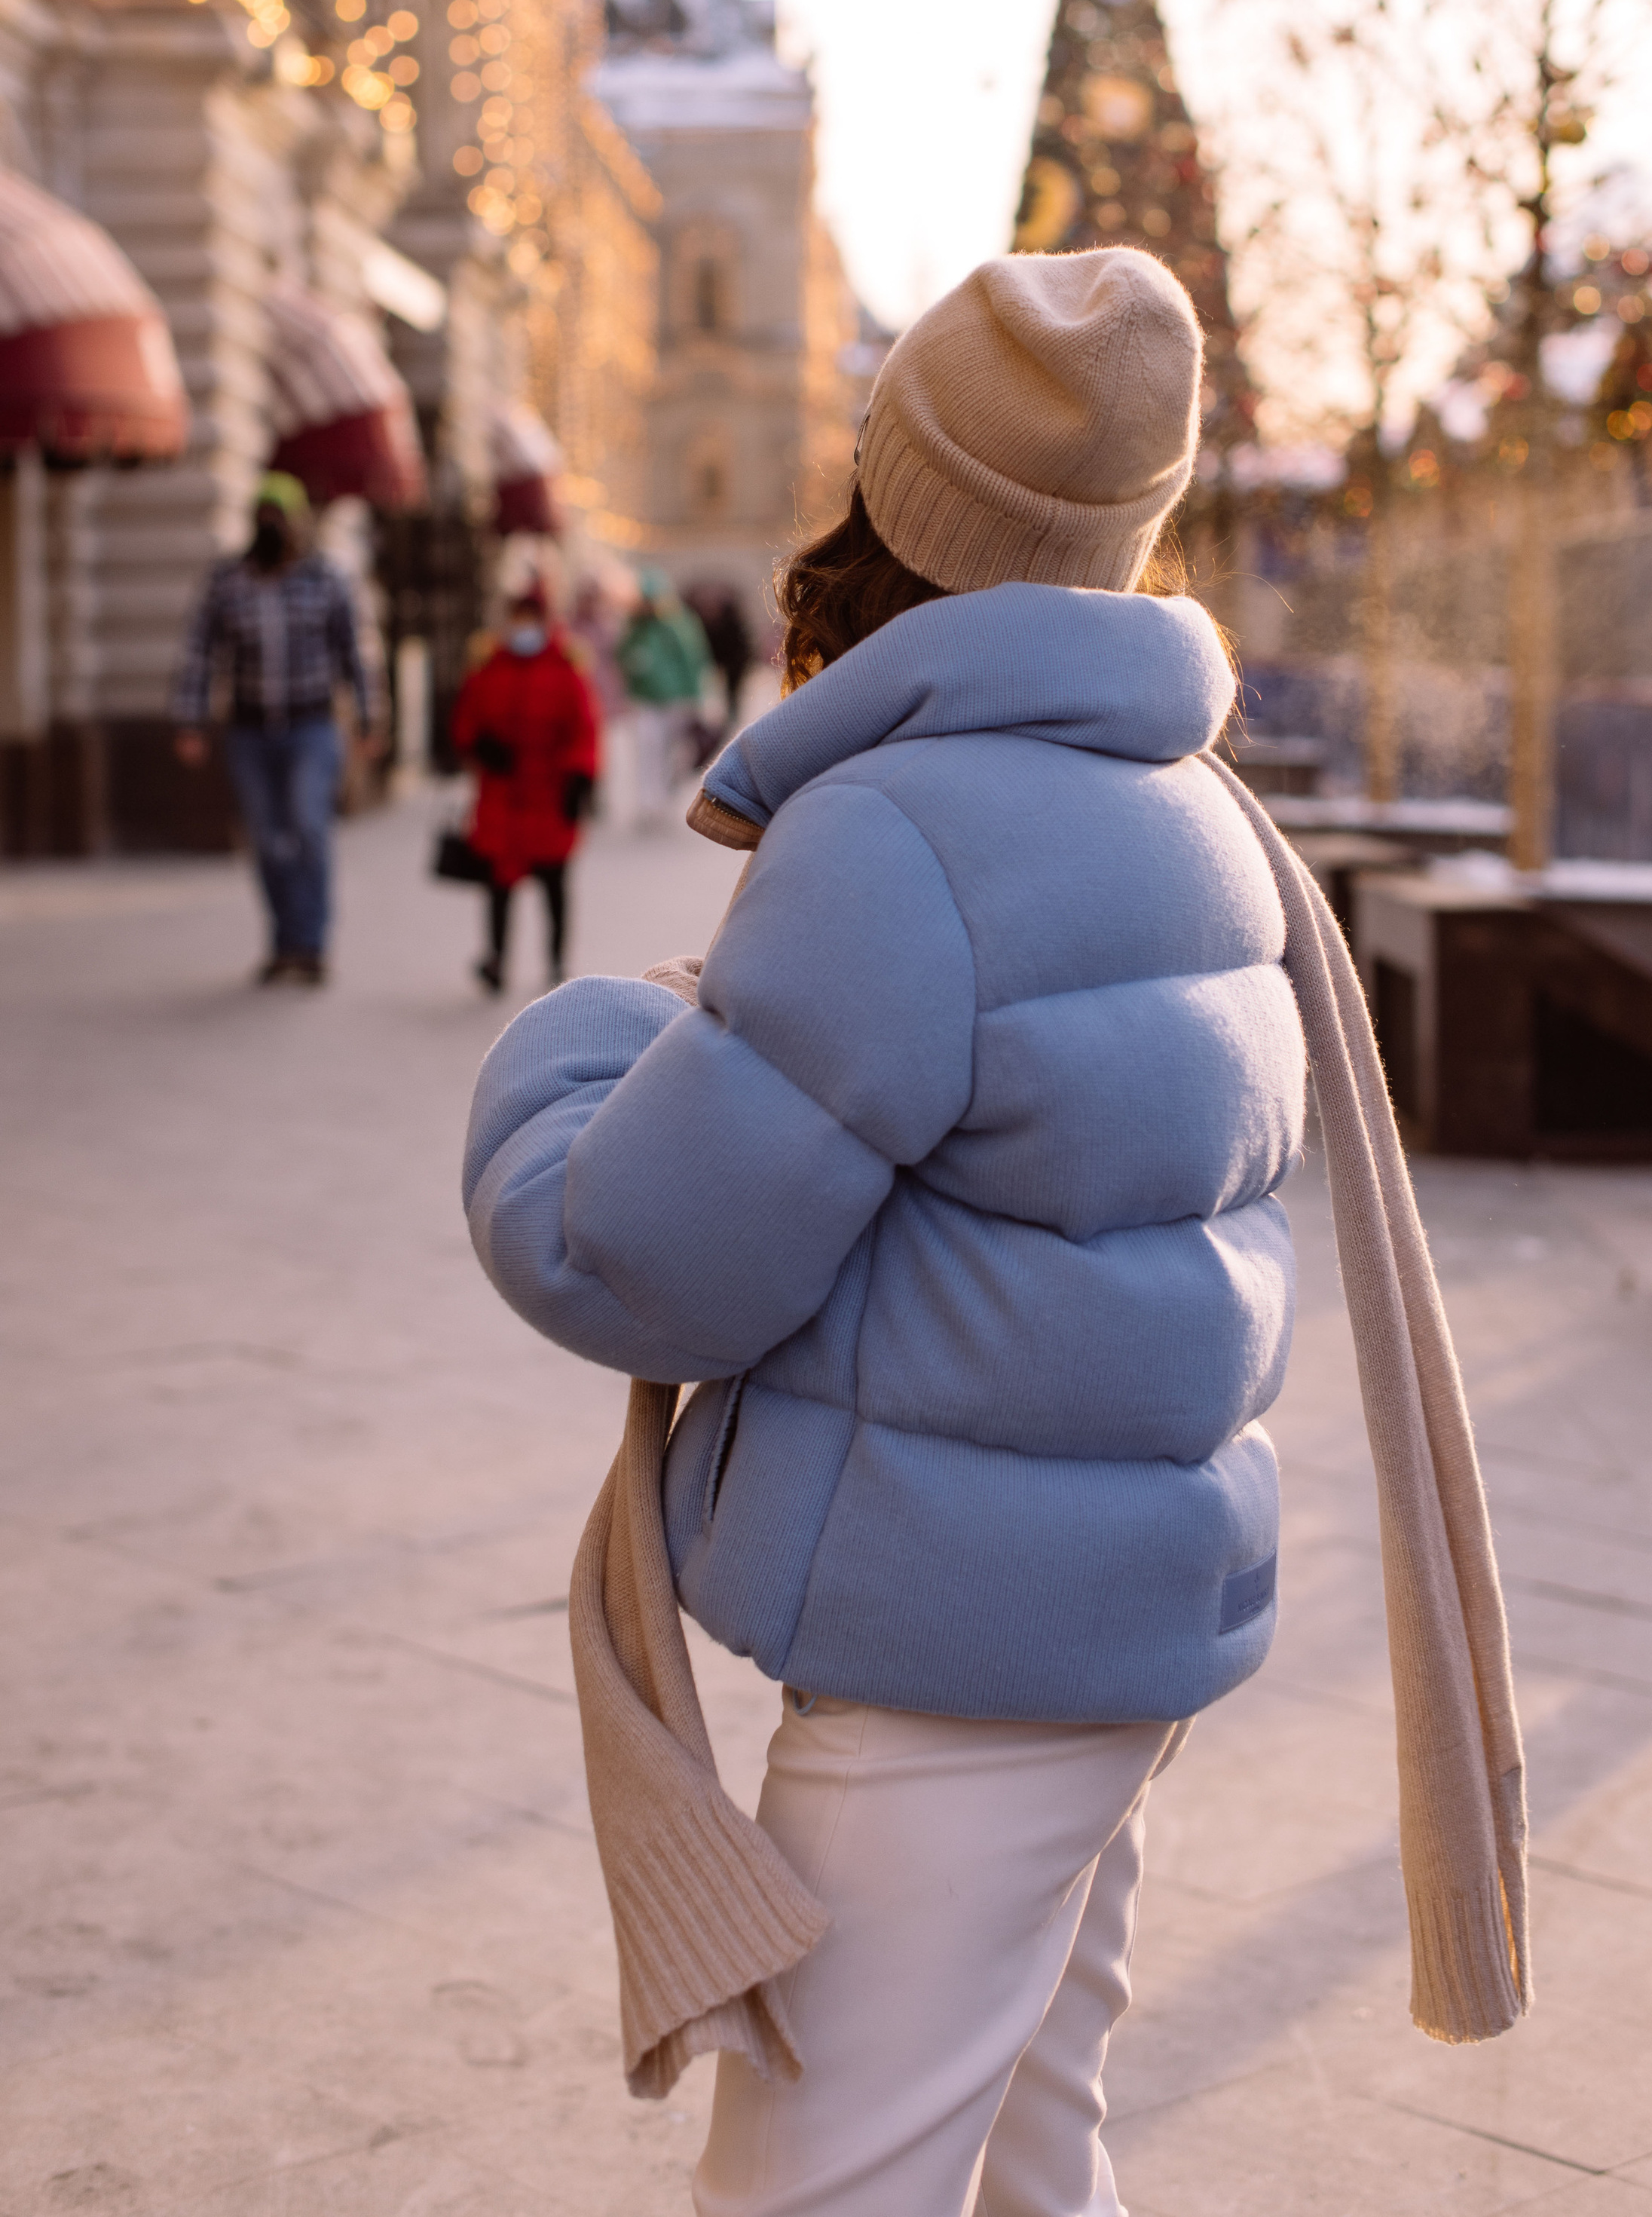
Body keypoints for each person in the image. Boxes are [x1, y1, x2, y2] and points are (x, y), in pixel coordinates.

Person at [463, 252, 1528, 2216]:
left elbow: (635, 1256)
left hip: (950, 1651)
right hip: (1118, 1623)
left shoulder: (901, 834)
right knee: (1039, 2152)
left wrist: (580, 1045)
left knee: (823, 2183)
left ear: (896, 500)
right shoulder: (1196, 804)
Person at [171, 472, 372, 986]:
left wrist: (370, 716)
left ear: (298, 522)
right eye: (262, 516)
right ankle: (282, 940)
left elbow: (354, 653)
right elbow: (200, 652)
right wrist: (190, 719)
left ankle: (311, 942)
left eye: (279, 517)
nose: (270, 527)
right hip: (250, 730)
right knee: (265, 838)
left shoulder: (326, 578)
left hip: (312, 725)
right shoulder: (228, 581)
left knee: (307, 826)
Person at [452, 580, 599, 996]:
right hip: (502, 797)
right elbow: (466, 718)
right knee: (498, 884)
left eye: (529, 619)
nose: (522, 627)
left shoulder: (567, 666)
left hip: (549, 794)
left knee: (554, 882)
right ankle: (496, 959)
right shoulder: (487, 664)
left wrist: (580, 778)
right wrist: (479, 744)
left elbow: (584, 729)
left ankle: (556, 961)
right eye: (516, 619)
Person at [614, 572, 711, 826]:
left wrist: (695, 697)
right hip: (645, 698)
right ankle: (649, 802)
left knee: (673, 753)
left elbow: (692, 661)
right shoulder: (635, 627)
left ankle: (665, 797)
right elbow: (621, 655)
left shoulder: (678, 624)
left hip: (675, 698)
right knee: (648, 749)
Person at [684, 580, 754, 726]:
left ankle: (732, 715)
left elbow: (742, 647)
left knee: (732, 691)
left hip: (733, 660)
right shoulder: (699, 621)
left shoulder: (732, 622)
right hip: (715, 658)